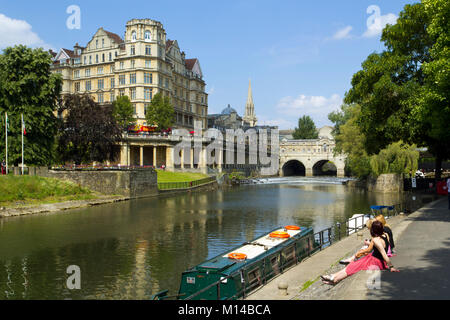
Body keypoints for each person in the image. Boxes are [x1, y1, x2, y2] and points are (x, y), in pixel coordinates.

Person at [321, 220, 399, 285]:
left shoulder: (376, 240)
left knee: (353, 266)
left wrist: (391, 267)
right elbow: (385, 248)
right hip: (374, 259)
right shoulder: (385, 234)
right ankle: (333, 276)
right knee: (353, 264)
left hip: (375, 262)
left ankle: (335, 279)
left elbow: (384, 254)